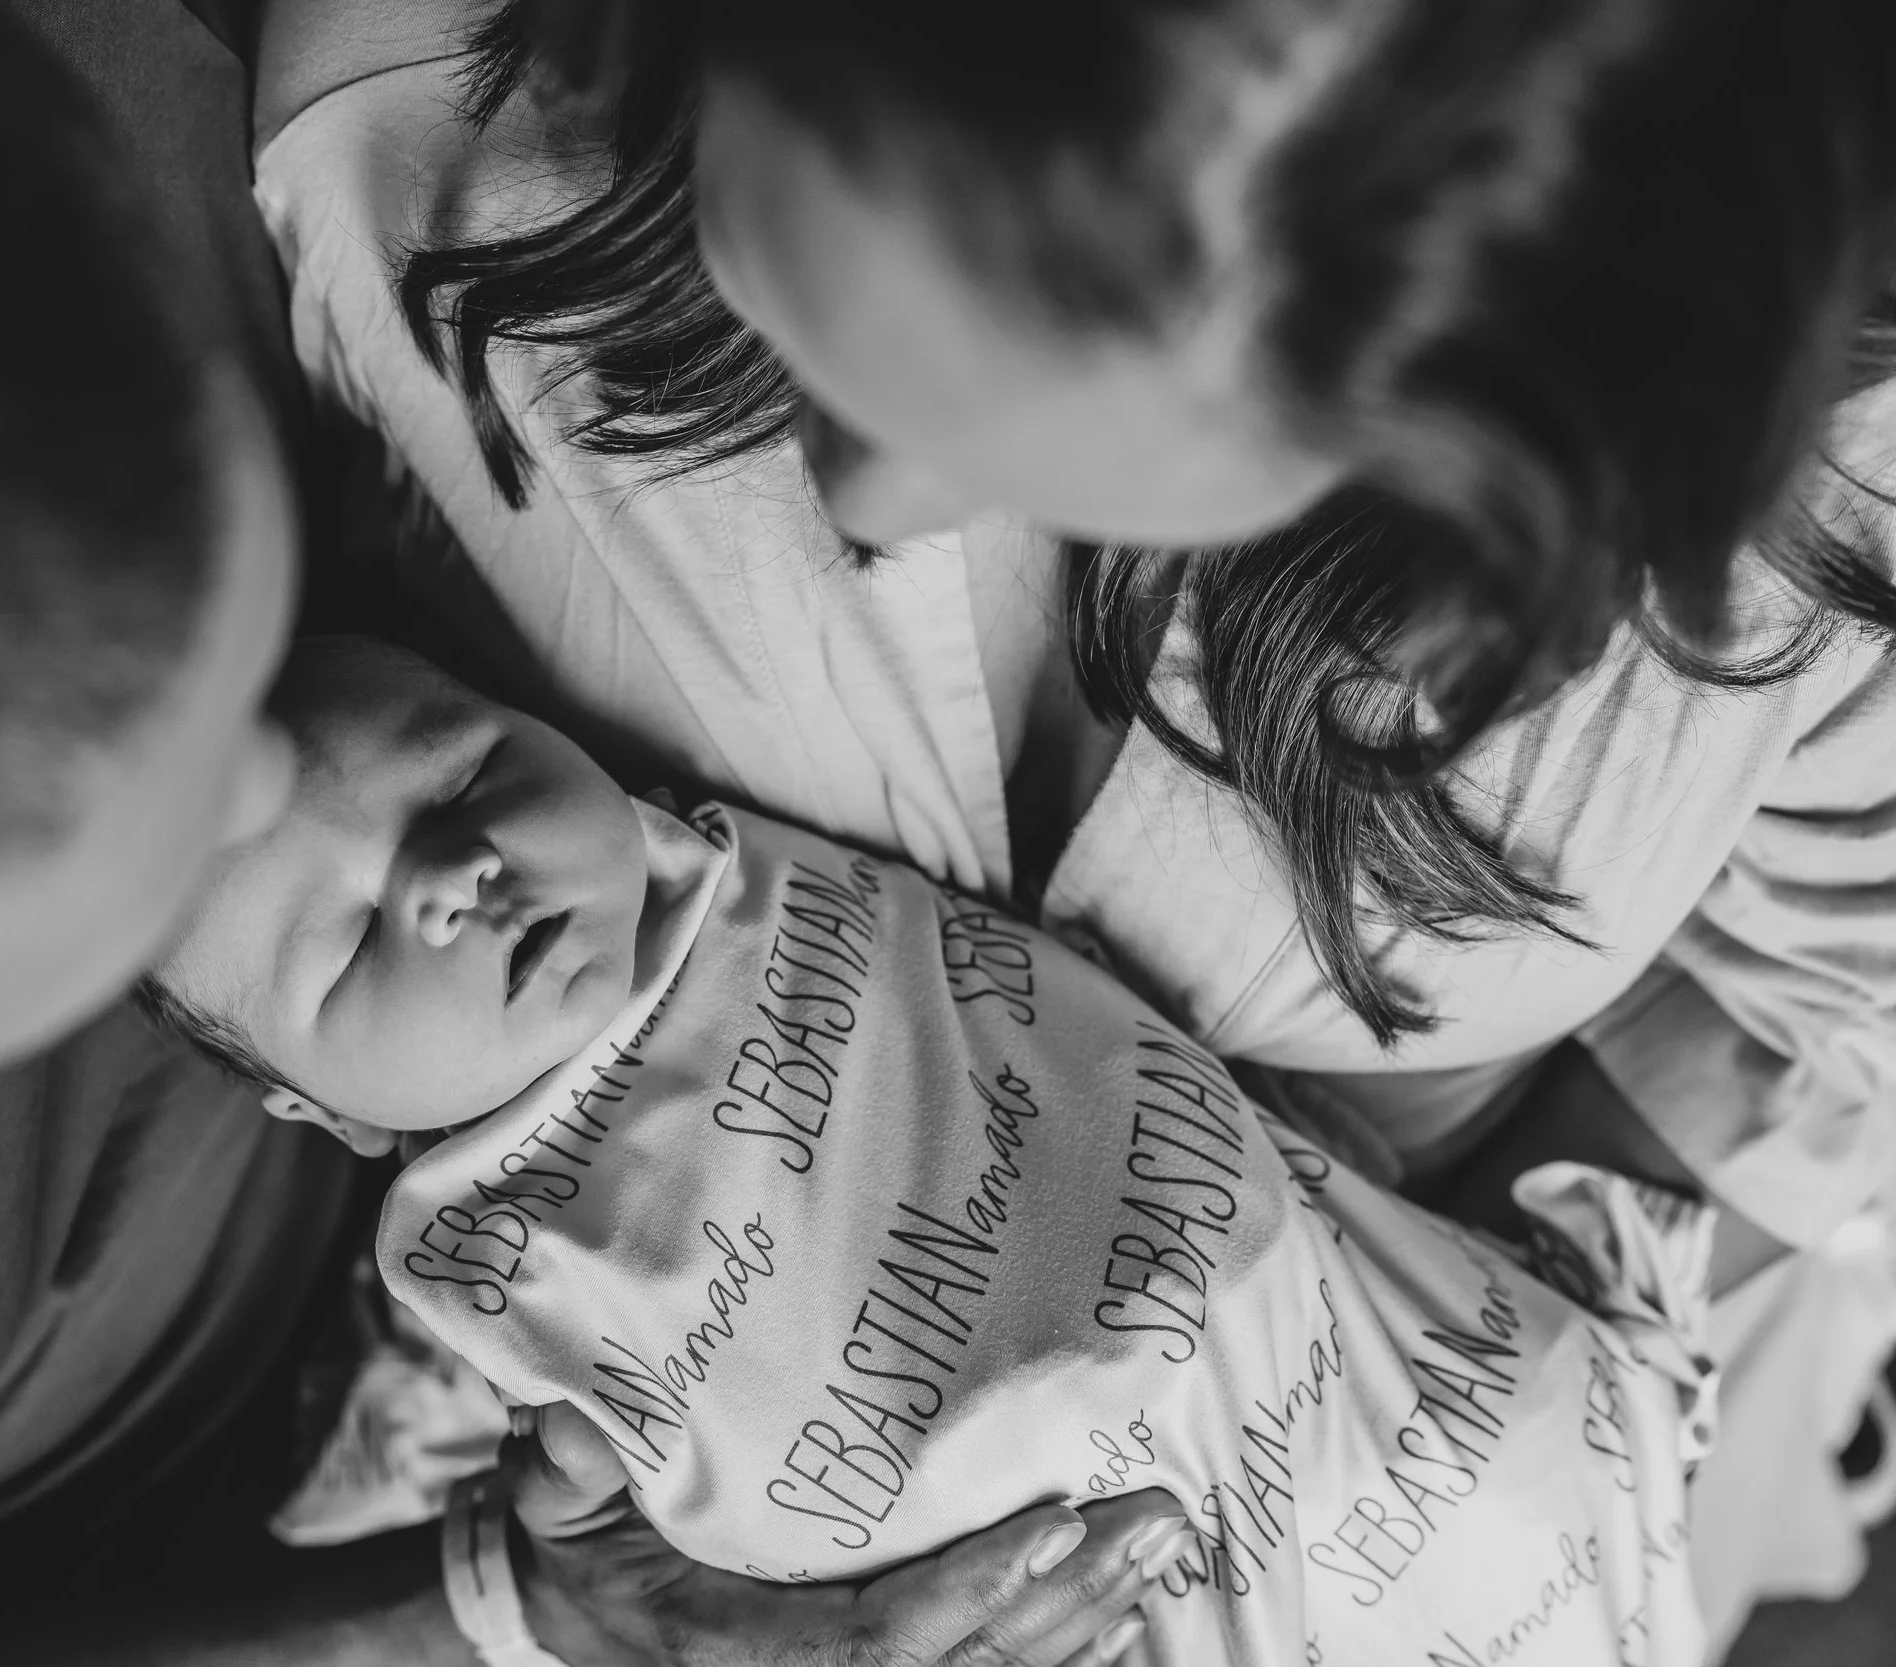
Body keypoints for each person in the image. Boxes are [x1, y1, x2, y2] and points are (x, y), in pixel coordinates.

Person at [0, 4, 1176, 1664]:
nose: (275, 783)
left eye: (230, 652)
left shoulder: (46, 73)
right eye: (104, 839)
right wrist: (507, 1613)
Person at [249, 0, 1896, 1644]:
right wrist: (573, 1596)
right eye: (815, 332)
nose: (867, 507)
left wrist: (1398, 1410)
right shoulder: (411, 124)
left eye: (1046, 449)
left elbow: (1824, 986)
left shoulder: (1834, 445)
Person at [149, 633, 1722, 1666]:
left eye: (471, 766)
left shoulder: (728, 862)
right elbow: (562, 1470)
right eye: (348, 947)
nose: (458, 873)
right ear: (334, 1110)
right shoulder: (477, 1250)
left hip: (1302, 1333)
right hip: (1047, 1545)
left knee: (1491, 1467)